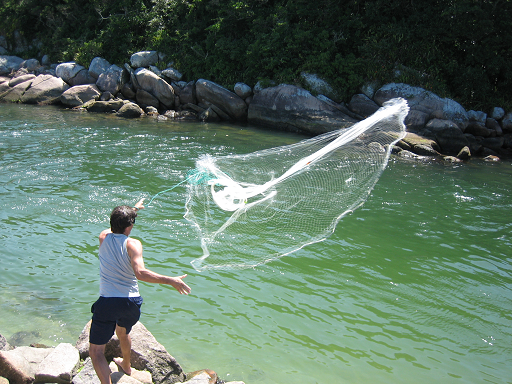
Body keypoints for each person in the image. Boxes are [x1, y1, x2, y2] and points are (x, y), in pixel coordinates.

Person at [89, 198, 191, 384]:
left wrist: (133, 209)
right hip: (130, 303)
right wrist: (170, 280)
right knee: (123, 331)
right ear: (130, 226)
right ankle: (126, 365)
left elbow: (114, 226)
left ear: (112, 222)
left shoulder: (103, 237)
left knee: (96, 352)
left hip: (108, 302)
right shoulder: (132, 244)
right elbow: (140, 273)